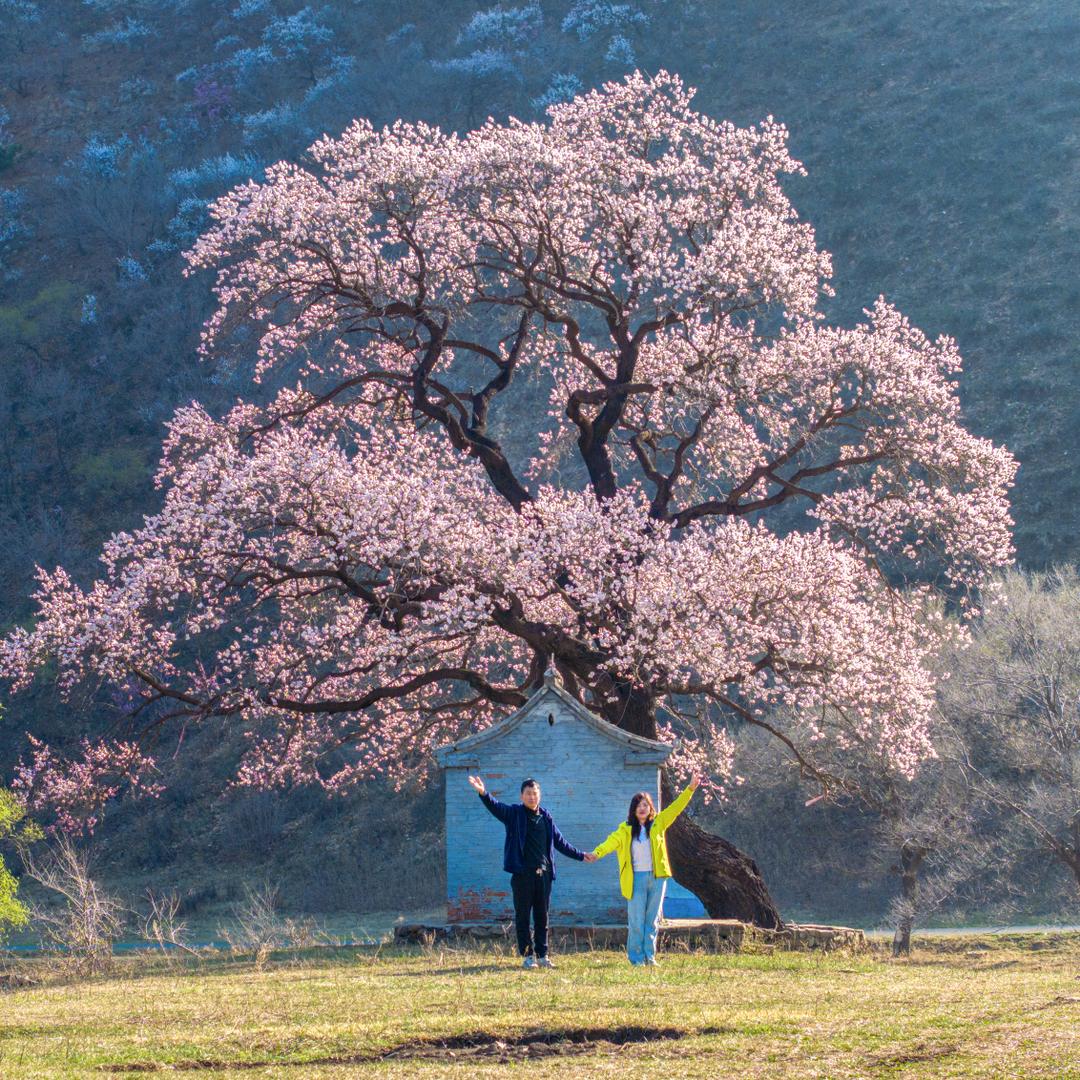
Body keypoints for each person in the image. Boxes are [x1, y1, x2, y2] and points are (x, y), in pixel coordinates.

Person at [468, 774, 596, 969]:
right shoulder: (514, 814)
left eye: (535, 793)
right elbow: (496, 807)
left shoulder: (546, 817)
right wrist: (483, 793)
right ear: (521, 796)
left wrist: (580, 855)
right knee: (523, 917)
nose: (532, 797)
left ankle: (543, 955)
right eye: (528, 794)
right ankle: (528, 957)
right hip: (522, 875)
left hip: (543, 875)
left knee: (542, 916)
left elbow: (559, 842)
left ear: (540, 795)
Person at [591, 777, 701, 966]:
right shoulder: (624, 830)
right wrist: (596, 853)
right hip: (635, 879)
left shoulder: (659, 824)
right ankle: (636, 958)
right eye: (638, 805)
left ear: (651, 808)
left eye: (645, 805)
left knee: (651, 920)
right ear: (633, 810)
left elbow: (675, 809)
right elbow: (610, 842)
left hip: (657, 878)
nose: (642, 809)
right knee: (636, 920)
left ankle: (650, 956)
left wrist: (690, 789)